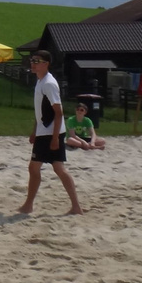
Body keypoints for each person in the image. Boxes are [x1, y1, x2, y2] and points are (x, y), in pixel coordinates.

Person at [18, 51, 83, 215]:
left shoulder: (49, 83)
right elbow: (41, 111)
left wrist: (55, 138)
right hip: (45, 132)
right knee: (57, 168)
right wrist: (35, 131)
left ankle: (29, 205)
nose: (33, 63)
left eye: (37, 61)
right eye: (32, 60)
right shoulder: (40, 81)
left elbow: (58, 113)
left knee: (36, 168)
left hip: (50, 133)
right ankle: (75, 207)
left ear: (46, 63)